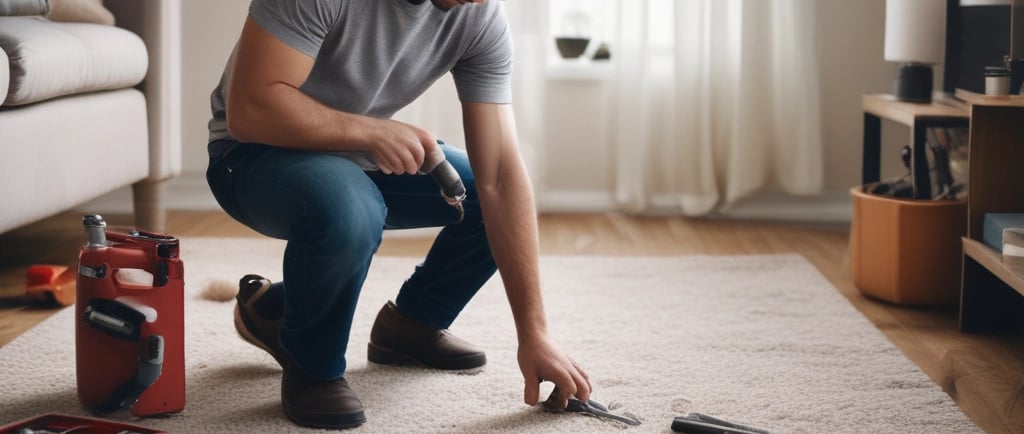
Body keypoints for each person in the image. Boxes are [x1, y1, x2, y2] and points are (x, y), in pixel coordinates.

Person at [205, 0, 592, 429]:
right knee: (350, 209)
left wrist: (535, 333)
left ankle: (410, 325)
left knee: (479, 196)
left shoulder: (479, 15)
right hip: (249, 155)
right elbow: (251, 109)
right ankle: (312, 366)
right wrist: (371, 131)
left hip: (352, 154)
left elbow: (499, 175)